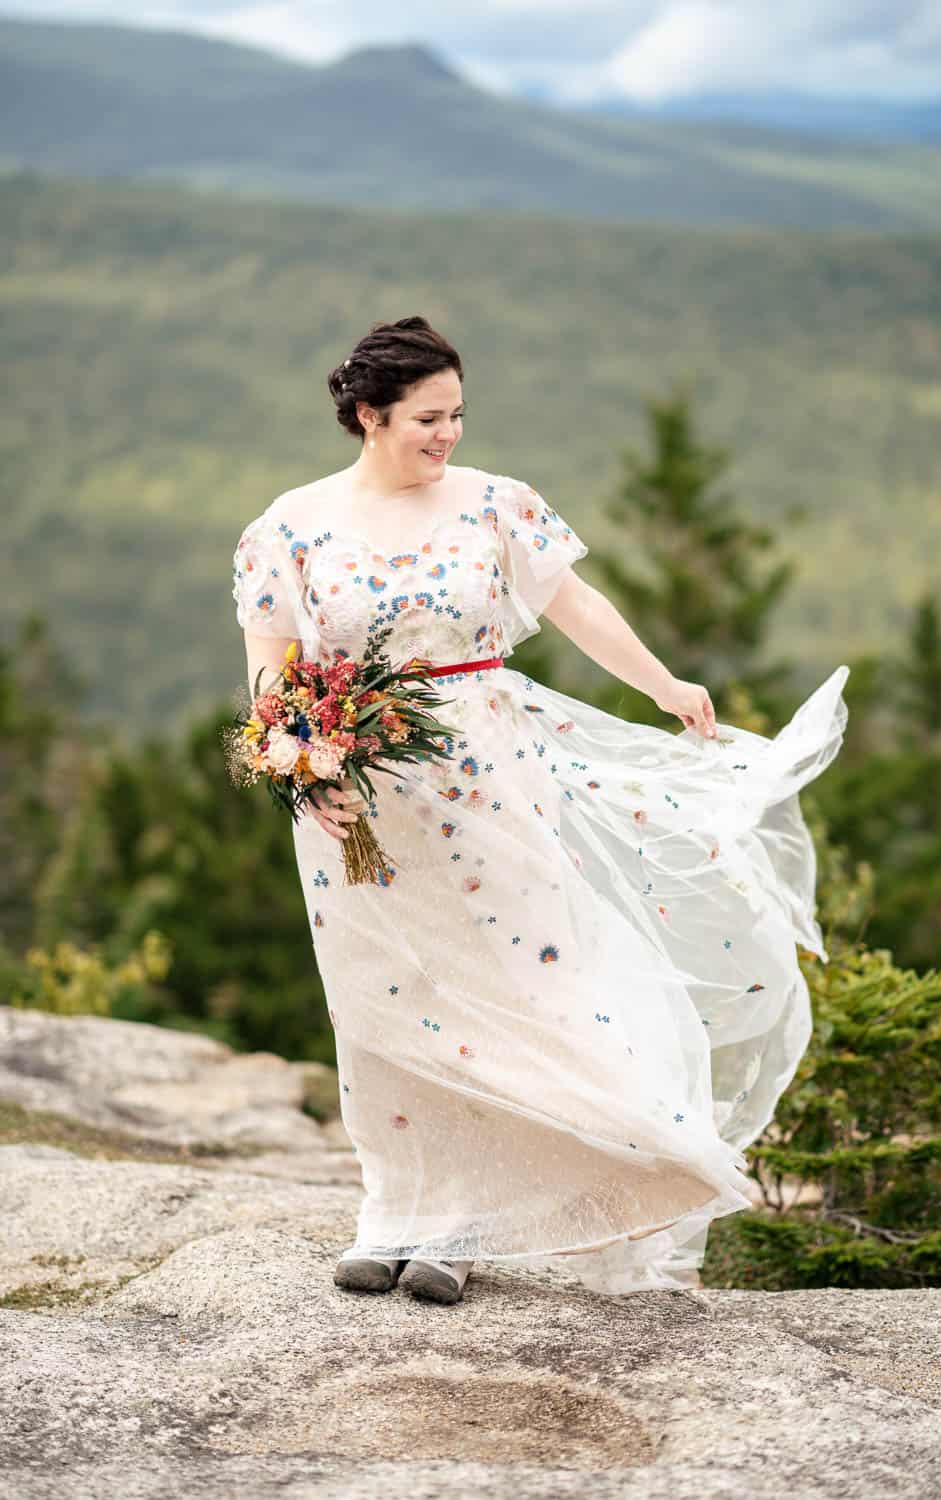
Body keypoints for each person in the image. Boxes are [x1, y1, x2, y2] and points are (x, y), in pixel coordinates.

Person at [232, 315, 850, 1306]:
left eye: (458, 415)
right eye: (429, 418)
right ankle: (389, 1212)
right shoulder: (290, 525)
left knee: (506, 991)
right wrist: (304, 763)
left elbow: (579, 606)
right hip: (358, 798)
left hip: (486, 773)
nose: (449, 435)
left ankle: (466, 1226)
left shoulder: (494, 505)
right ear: (367, 415)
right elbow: (274, 662)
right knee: (384, 998)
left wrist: (661, 684)